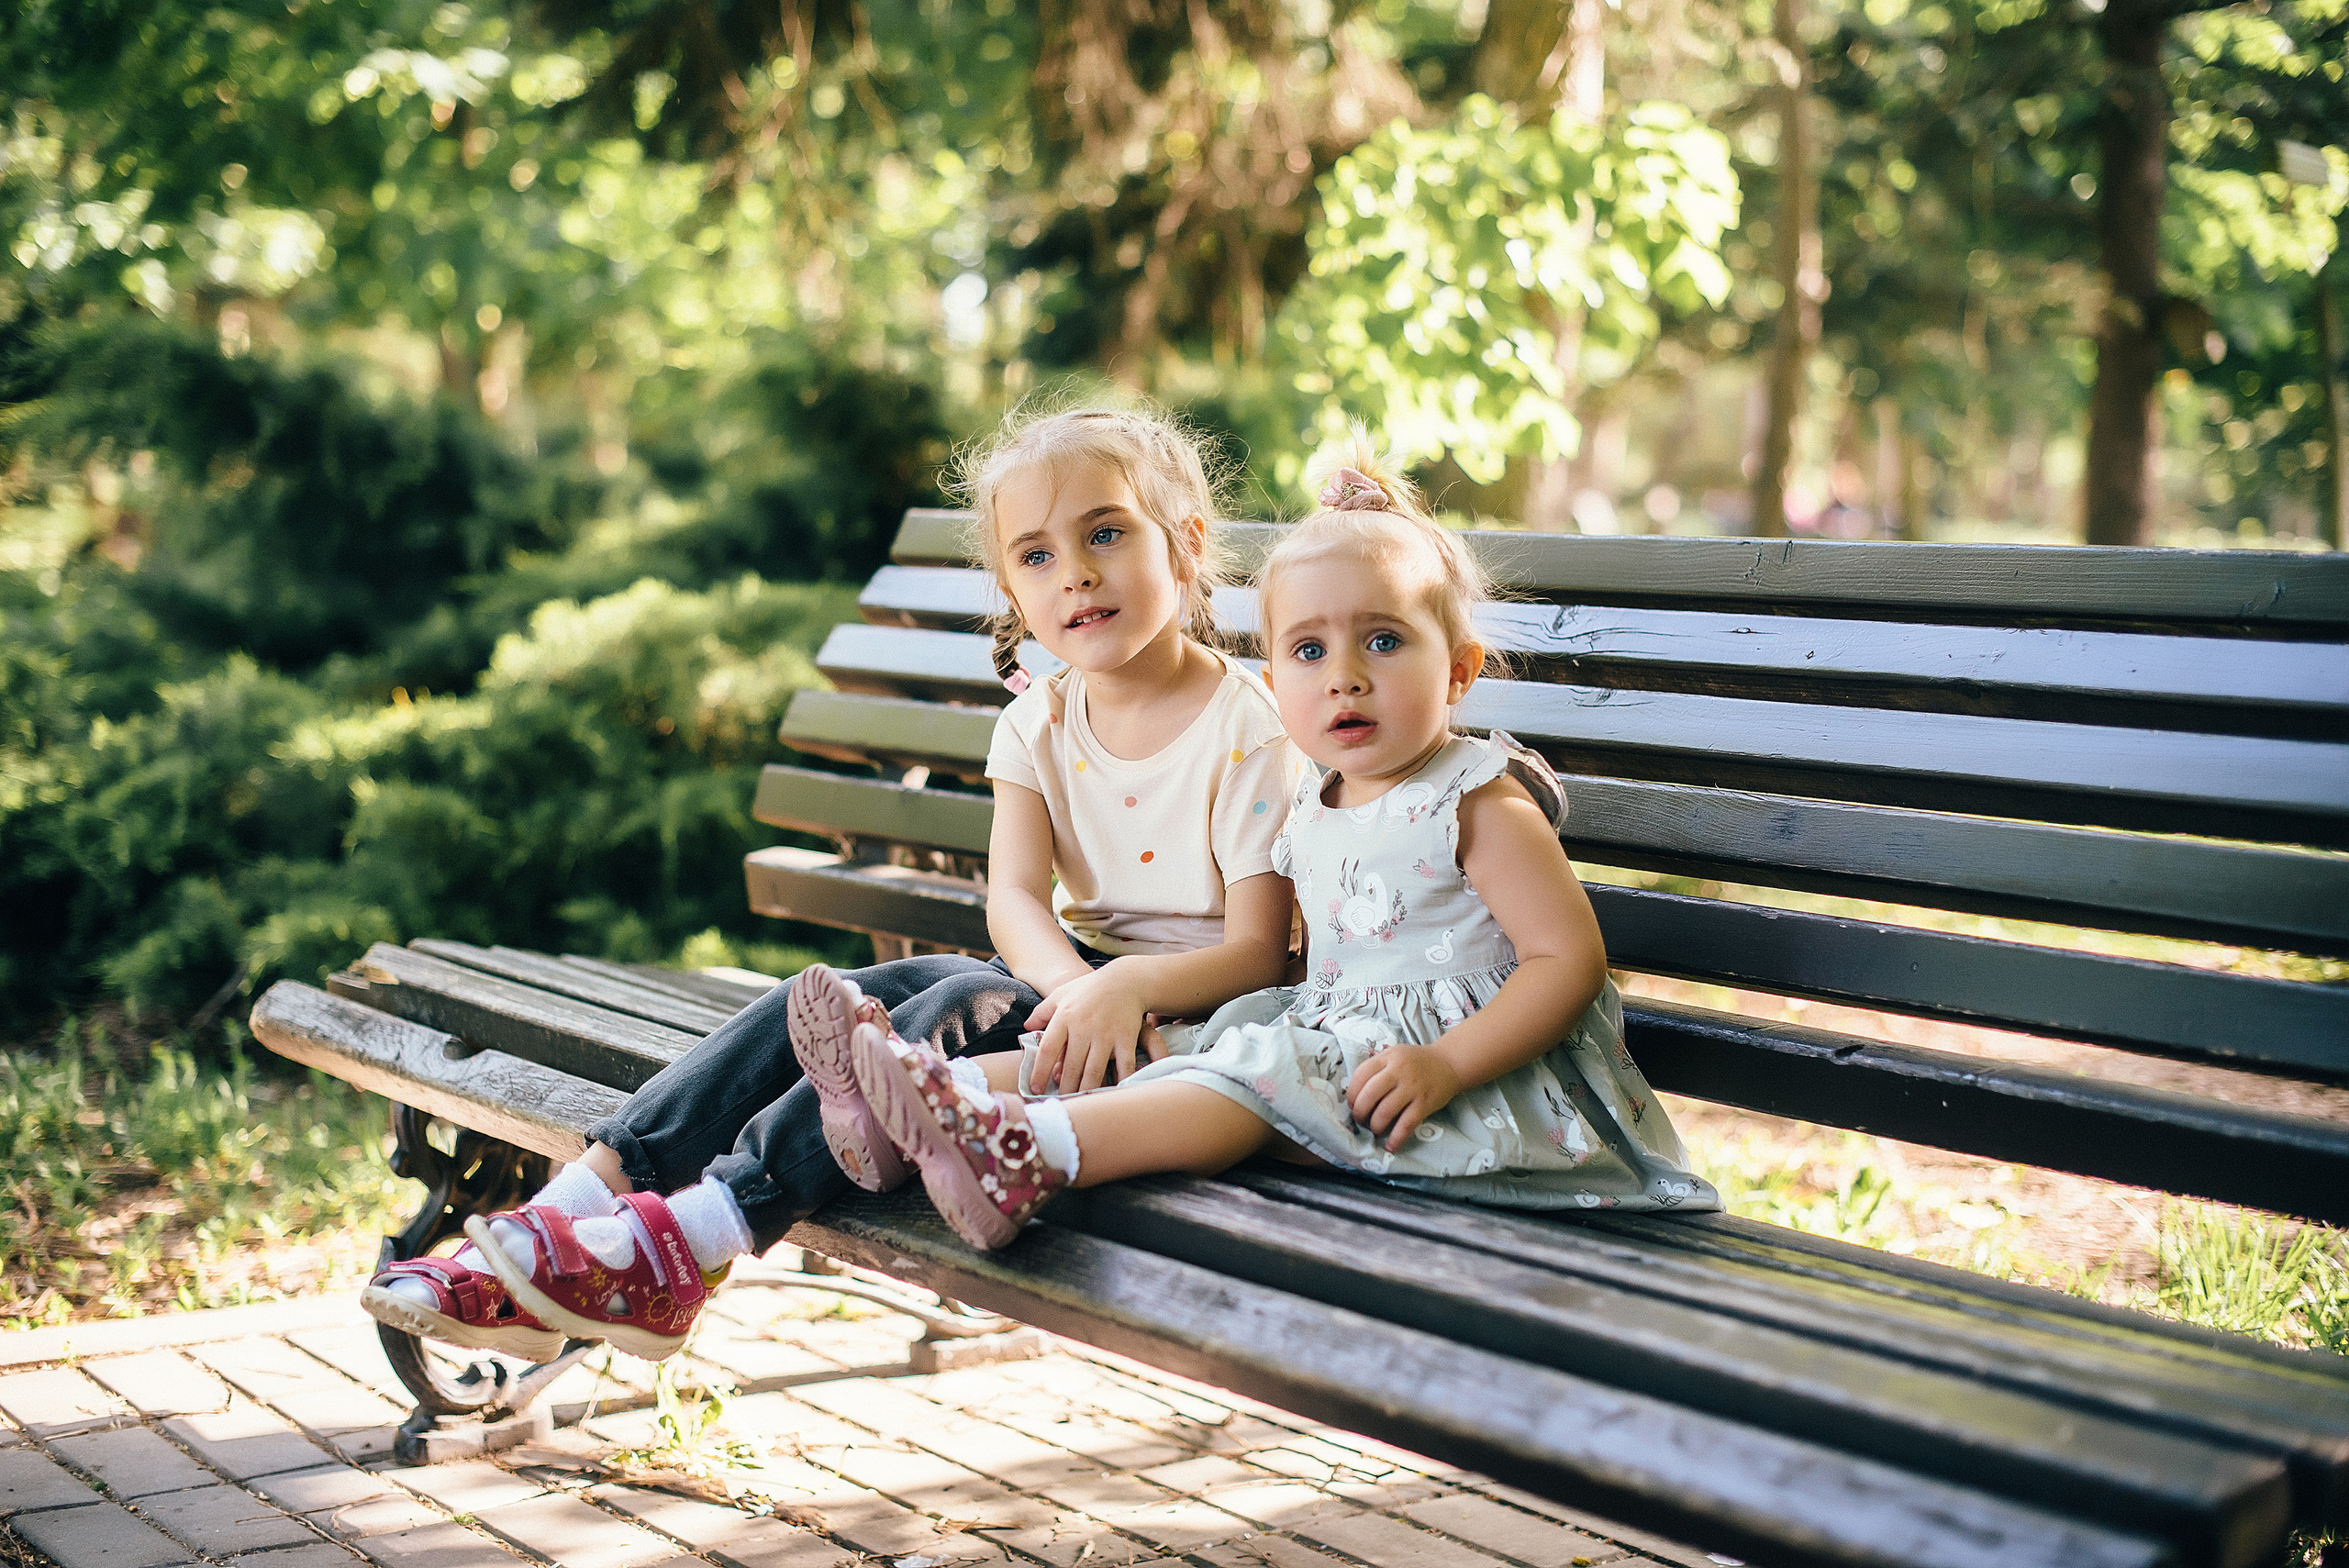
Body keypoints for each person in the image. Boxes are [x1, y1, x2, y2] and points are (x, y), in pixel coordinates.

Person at [362, 403, 1301, 1359]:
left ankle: (690, 1242)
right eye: (1037, 555)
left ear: (1185, 546)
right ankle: (560, 1220)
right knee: (861, 999)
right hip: (1074, 987)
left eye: (1105, 532)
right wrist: (1074, 987)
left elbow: (1259, 951)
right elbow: (1013, 897)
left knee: (933, 1021)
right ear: (1012, 589)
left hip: (1183, 1027)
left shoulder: (1248, 725)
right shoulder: (1038, 719)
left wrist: (1114, 989)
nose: (1077, 573)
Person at [831, 441, 1718, 1251]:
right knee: (1189, 1054)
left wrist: (1446, 1063)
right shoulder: (1311, 796)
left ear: (1459, 669)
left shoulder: (1477, 799)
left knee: (1240, 1076)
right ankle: (925, 1104)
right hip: (1332, 1043)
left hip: (1461, 1090)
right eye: (1307, 649)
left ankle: (1031, 1151)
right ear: (1275, 677)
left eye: (1384, 639)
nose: (1346, 674)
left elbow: (1568, 962)